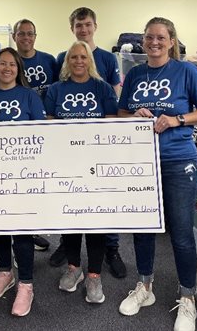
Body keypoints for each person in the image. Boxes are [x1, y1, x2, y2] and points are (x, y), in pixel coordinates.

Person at [117, 17, 197, 331]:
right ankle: (144, 287)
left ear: (171, 40)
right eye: (149, 37)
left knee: (182, 233)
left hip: (177, 160)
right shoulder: (134, 73)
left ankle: (187, 298)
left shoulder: (186, 71)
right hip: (140, 163)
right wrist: (134, 115)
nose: (154, 42)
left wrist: (176, 120)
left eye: (160, 37)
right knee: (143, 227)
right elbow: (121, 112)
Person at [51, 7, 126, 278]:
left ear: (94, 26)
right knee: (68, 203)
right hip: (67, 154)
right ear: (72, 28)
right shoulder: (62, 60)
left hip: (98, 150)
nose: (83, 29)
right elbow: (52, 113)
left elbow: (114, 103)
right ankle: (67, 249)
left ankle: (112, 249)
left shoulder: (107, 60)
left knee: (103, 204)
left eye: (87, 25)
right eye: (78, 25)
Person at [44, 41, 118, 303]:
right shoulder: (56, 89)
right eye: (73, 57)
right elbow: (50, 125)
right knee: (71, 219)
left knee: (96, 222)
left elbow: (112, 125)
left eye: (82, 57)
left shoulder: (103, 88)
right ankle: (74, 268)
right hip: (66, 166)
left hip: (96, 166)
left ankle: (94, 276)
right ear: (66, 62)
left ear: (90, 61)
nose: (78, 61)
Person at [0, 47, 46, 317]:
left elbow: (42, 135)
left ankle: (26, 284)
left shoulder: (30, 96)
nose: (7, 69)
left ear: (19, 69)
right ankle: (5, 273)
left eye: (12, 65)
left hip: (23, 174)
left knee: (22, 229)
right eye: (2, 64)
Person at [12, 18, 58, 252]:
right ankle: (19, 236)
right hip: (18, 131)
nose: (26, 38)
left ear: (35, 36)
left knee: (39, 184)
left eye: (30, 33)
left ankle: (32, 231)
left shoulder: (49, 60)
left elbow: (61, 87)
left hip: (44, 129)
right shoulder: (8, 61)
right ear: (14, 36)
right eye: (22, 34)